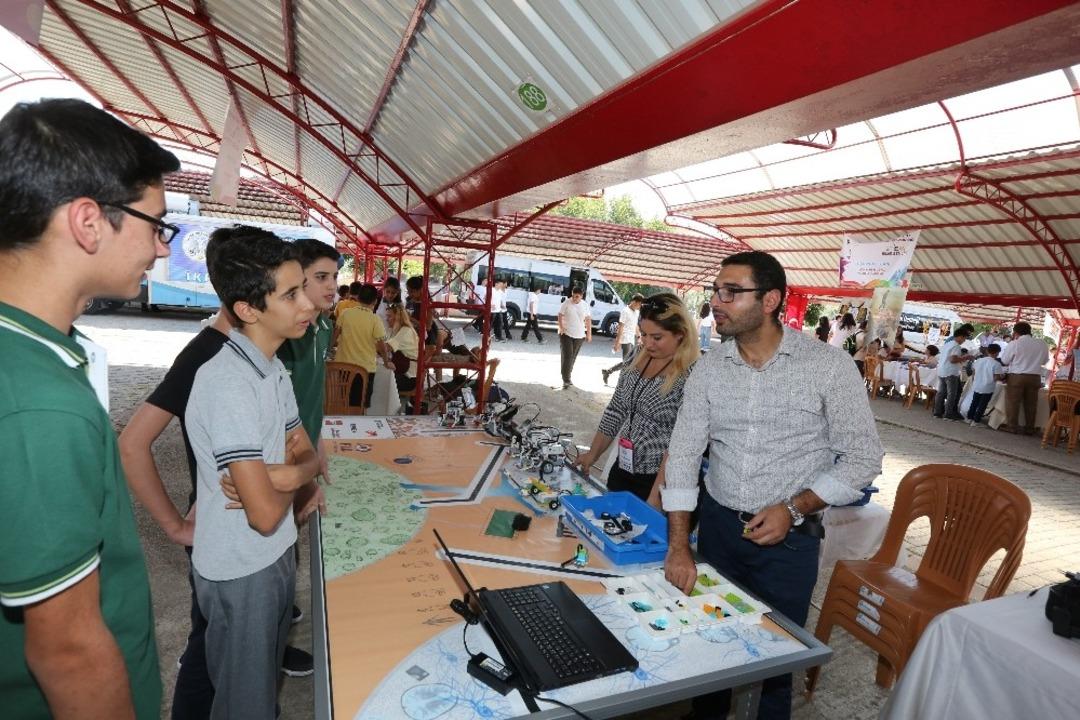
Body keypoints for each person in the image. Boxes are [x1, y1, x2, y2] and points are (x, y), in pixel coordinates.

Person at [0, 98, 178, 720]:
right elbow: (69, 650)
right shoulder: (38, 405)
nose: (161, 250)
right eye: (156, 225)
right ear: (88, 222)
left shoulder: (37, 355)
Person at [656, 251, 883, 720]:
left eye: (731, 292)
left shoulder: (827, 367)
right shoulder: (709, 370)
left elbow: (863, 459)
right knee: (709, 649)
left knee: (774, 664)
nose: (716, 302)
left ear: (771, 300)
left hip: (789, 546)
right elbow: (682, 458)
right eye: (716, 291)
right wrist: (679, 545)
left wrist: (795, 508)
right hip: (718, 532)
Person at [184, 227, 319, 719]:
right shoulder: (229, 383)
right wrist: (291, 475)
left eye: (303, 287)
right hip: (242, 567)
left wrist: (280, 475)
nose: (308, 304)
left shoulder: (272, 368)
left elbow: (312, 458)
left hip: (276, 553)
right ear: (247, 309)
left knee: (260, 689)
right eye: (291, 294)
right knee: (246, 706)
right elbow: (261, 514)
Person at [575, 294, 698, 500]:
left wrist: (656, 497)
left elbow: (683, 446)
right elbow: (616, 409)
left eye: (657, 337)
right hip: (623, 466)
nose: (648, 343)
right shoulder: (636, 355)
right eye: (644, 334)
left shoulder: (692, 373)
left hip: (658, 479)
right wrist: (592, 454)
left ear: (680, 334)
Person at [337, 283, 391, 408]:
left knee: (345, 399)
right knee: (361, 404)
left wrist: (330, 349)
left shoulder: (345, 313)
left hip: (343, 366)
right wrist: (386, 361)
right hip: (365, 369)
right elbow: (381, 345)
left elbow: (335, 334)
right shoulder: (375, 319)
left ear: (358, 297)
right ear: (375, 301)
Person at [999, 321, 1050, 435]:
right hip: (1035, 377)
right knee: (1031, 404)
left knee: (1013, 402)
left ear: (1015, 332)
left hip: (1017, 376)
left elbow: (1004, 361)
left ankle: (1012, 427)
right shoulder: (1042, 343)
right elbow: (1045, 361)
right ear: (1029, 331)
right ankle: (1029, 428)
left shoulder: (1015, 343)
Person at [933, 324, 975, 421]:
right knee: (952, 394)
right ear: (961, 336)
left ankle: (937, 412)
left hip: (942, 370)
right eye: (964, 338)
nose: (964, 341)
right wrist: (965, 357)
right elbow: (953, 359)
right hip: (951, 371)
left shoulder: (948, 343)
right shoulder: (956, 346)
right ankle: (948, 414)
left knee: (941, 392)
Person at [602, 293, 643, 385]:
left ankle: (608, 372)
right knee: (628, 362)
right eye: (639, 304)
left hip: (631, 339)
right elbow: (620, 328)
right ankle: (622, 383)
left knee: (628, 362)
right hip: (625, 339)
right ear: (634, 302)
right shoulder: (625, 311)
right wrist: (617, 343)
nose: (640, 307)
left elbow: (635, 325)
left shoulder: (636, 312)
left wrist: (639, 336)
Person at [557, 285, 592, 389]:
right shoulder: (566, 303)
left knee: (572, 357)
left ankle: (568, 376)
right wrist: (561, 327)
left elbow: (588, 319)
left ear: (581, 296)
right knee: (567, 356)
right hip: (566, 334)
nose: (574, 298)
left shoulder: (585, 305)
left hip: (580, 335)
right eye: (573, 296)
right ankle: (566, 379)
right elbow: (559, 314)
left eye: (577, 296)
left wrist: (589, 334)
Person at [385, 302, 419, 394]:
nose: (386, 319)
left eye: (389, 316)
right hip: (400, 372)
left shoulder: (406, 331)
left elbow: (385, 348)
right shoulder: (391, 330)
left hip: (408, 377)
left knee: (378, 379)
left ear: (397, 317)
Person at [968, 344, 1005, 426]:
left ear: (987, 351)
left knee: (974, 402)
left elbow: (974, 373)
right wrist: (1002, 376)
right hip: (988, 387)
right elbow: (996, 378)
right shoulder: (996, 364)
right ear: (998, 353)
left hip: (977, 385)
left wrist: (975, 381)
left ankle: (969, 418)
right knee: (982, 404)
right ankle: (976, 421)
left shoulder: (979, 360)